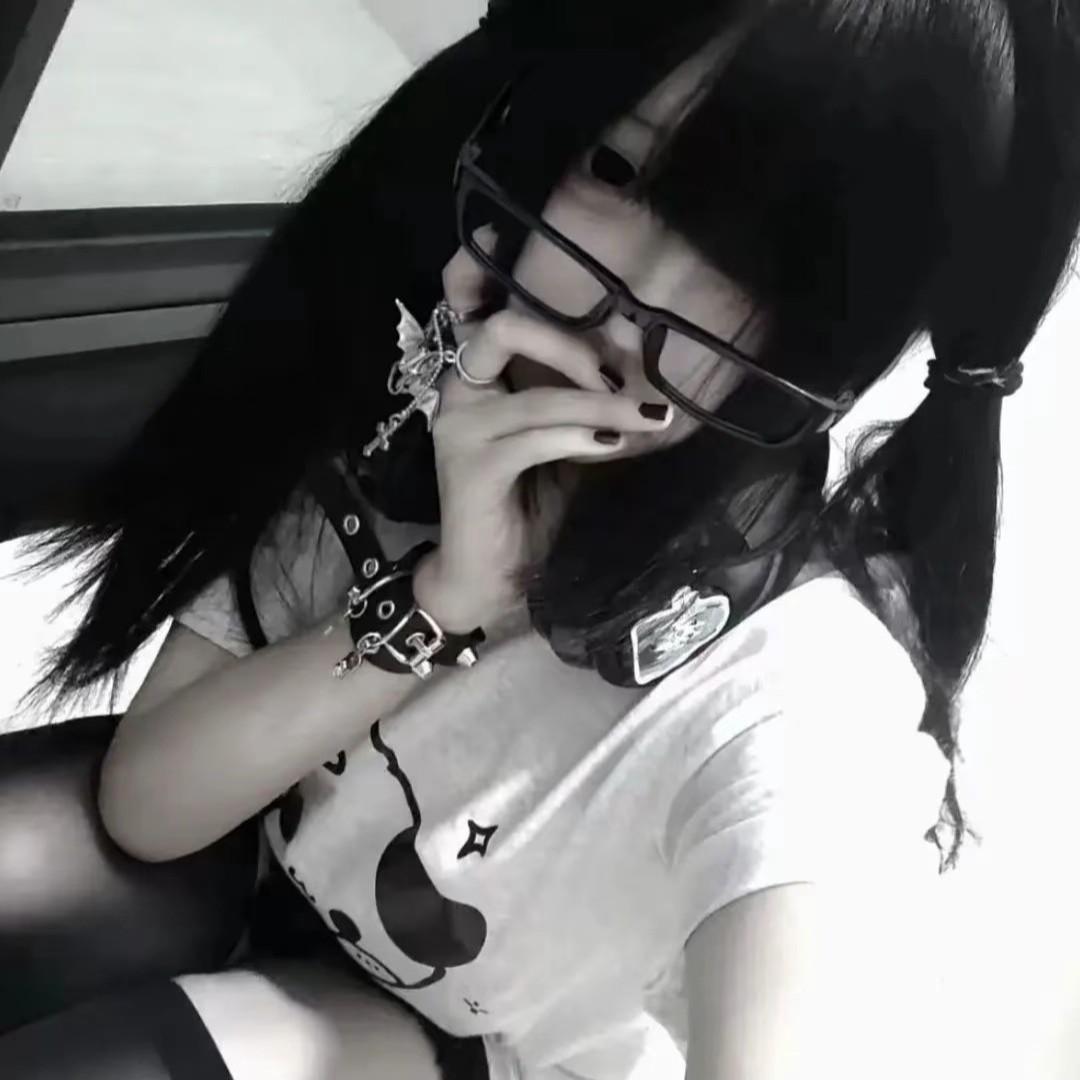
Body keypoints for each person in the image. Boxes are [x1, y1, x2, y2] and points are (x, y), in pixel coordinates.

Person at [6, 1, 1079, 1079]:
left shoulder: (795, 680)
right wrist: (442, 598)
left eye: (760, 270)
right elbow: (147, 805)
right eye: (618, 171)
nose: (636, 303)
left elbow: (807, 895)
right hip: (251, 889)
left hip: (471, 1050)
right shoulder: (408, 415)